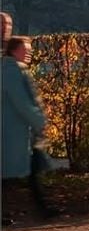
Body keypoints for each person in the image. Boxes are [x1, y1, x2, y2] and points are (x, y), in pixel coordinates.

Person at [2, 31, 59, 220]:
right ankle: (43, 209)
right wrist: (39, 121)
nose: (28, 53)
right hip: (15, 132)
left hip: (16, 131)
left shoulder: (12, 69)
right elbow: (22, 102)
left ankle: (42, 208)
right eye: (24, 50)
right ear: (14, 51)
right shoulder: (12, 71)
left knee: (24, 173)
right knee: (23, 173)